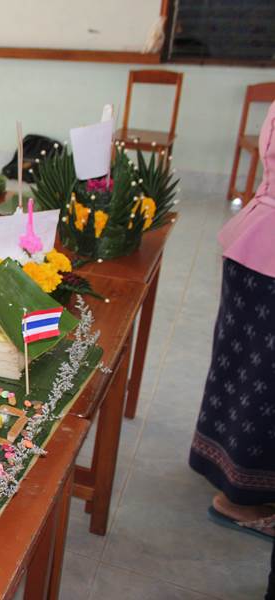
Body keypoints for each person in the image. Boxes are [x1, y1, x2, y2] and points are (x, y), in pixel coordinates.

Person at [189, 101, 275, 592]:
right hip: (267, 252)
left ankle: (225, 471)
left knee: (242, 368)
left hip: (257, 241)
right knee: (260, 379)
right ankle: (241, 497)